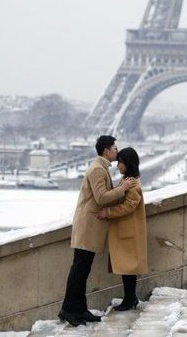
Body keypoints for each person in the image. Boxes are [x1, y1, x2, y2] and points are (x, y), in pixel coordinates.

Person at [58, 135, 133, 327]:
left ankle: (80, 310)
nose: (117, 151)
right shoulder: (98, 169)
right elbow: (101, 197)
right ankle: (68, 310)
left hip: (90, 226)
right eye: (114, 148)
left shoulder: (100, 168)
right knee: (79, 269)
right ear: (106, 150)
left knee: (82, 270)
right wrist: (123, 188)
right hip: (88, 226)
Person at [94, 147, 148, 311]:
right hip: (126, 231)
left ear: (127, 163)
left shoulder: (132, 184)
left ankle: (130, 299)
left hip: (128, 232)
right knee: (127, 268)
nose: (118, 165)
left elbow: (128, 207)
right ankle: (130, 298)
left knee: (128, 268)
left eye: (120, 162)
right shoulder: (129, 180)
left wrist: (108, 212)